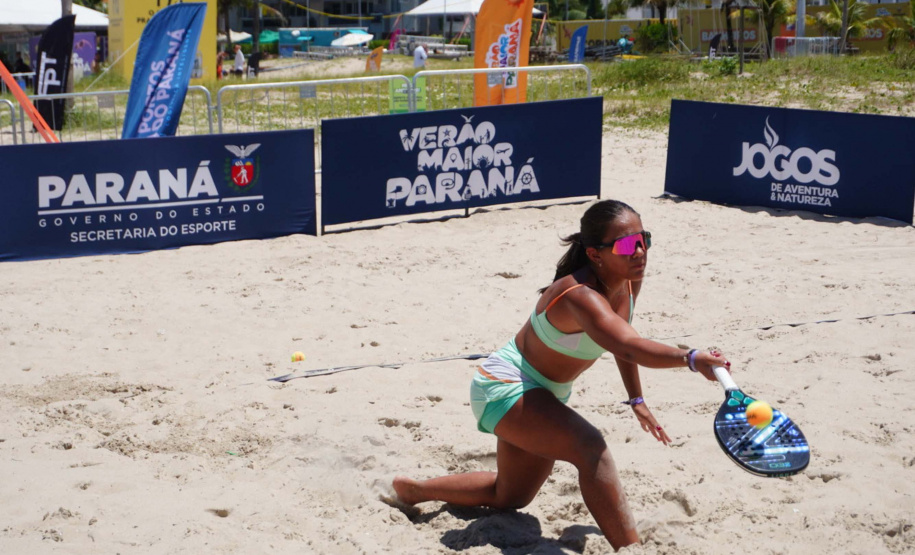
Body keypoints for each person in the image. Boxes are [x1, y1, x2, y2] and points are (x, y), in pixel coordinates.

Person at [391, 200, 730, 551]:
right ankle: (631, 548)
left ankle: (414, 490)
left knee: (510, 496)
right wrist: (690, 358)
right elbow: (629, 346)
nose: (640, 250)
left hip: (543, 393)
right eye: (628, 244)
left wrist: (637, 399)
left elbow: (622, 339)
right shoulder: (578, 296)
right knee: (590, 447)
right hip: (506, 386)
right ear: (595, 254)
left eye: (643, 238)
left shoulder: (626, 282)